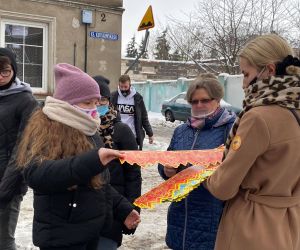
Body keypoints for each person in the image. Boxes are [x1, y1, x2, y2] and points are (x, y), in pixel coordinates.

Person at [16, 63, 140, 250]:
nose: (94, 109)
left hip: (90, 234)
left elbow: (100, 184)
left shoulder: (88, 130)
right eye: (87, 103)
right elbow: (37, 174)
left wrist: (123, 208)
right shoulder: (46, 129)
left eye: (96, 103)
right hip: (61, 237)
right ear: (68, 103)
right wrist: (93, 161)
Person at [205, 34, 300, 250]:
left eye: (246, 74)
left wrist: (201, 175)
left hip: (251, 226)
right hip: (290, 224)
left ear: (270, 70)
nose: (245, 83)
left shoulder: (259, 117)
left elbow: (224, 187)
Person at [158, 74, 236, 250]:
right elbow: (166, 159)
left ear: (217, 100)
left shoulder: (230, 130)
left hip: (212, 219)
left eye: (204, 100)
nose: (199, 105)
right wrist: (166, 169)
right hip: (180, 218)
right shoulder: (181, 131)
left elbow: (235, 174)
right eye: (194, 101)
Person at [93, 75, 142, 250]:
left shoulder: (122, 130)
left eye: (103, 99)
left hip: (113, 210)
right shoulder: (82, 129)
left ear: (110, 101)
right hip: (85, 212)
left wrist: (131, 208)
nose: (99, 104)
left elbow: (133, 173)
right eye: (94, 100)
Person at [0, 47, 38, 250]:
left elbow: (24, 147)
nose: (0, 76)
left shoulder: (26, 100)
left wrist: (6, 188)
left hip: (9, 180)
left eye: (5, 71)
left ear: (14, 70)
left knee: (4, 241)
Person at [111, 74, 153, 150]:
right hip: (117, 135)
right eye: (121, 87)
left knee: (132, 159)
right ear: (119, 85)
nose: (123, 89)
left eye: (125, 87)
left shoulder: (137, 98)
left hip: (133, 135)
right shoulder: (113, 96)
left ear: (130, 85)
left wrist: (150, 133)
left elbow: (143, 117)